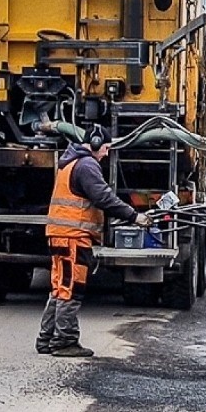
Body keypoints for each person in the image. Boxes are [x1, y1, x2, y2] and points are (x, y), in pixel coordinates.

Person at [37, 125, 149, 357]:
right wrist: (134, 215)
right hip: (73, 237)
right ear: (96, 143)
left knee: (59, 288)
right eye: (106, 148)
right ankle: (64, 341)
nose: (107, 153)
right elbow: (103, 197)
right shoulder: (87, 165)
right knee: (71, 289)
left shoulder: (70, 162)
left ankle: (47, 338)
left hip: (60, 235)